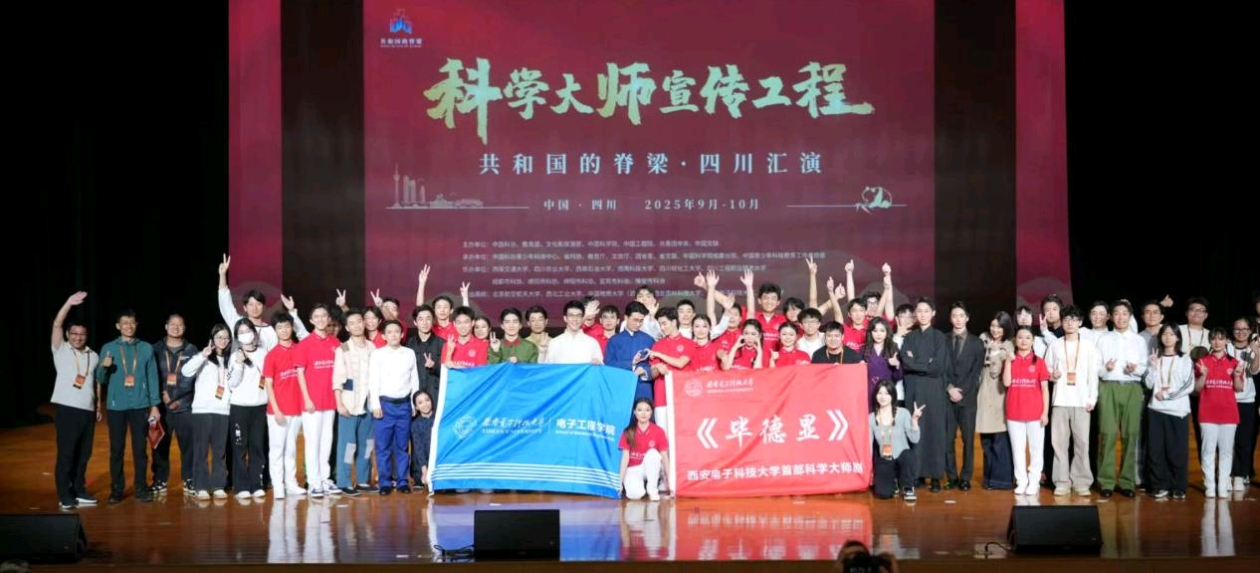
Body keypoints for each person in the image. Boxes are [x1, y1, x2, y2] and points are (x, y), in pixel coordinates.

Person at [96, 309, 161, 504]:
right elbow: (100, 379)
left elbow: (152, 378)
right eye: (125, 323)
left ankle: (141, 487)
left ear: (136, 324)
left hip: (140, 404)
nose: (129, 326)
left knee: (140, 449)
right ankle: (117, 489)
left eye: (132, 323)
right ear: (118, 326)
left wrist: (154, 405)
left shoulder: (146, 348)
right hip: (116, 406)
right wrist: (104, 367)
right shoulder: (109, 348)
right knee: (117, 449)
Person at [50, 292, 100, 509]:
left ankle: (79, 489)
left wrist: (98, 407)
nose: (78, 338)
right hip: (67, 410)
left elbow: (95, 382)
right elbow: (57, 324)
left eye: (82, 334)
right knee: (67, 454)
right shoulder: (61, 349)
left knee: (84, 454)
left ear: (86, 336)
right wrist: (68, 303)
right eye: (74, 334)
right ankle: (65, 494)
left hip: (87, 411)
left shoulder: (93, 355)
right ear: (68, 335)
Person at [1044, 305, 1099, 496]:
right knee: (1059, 443)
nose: (1069, 323)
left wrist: (1092, 398)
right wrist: (1052, 374)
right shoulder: (1055, 345)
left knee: (1082, 443)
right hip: (1060, 400)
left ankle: (1081, 481)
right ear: (1062, 322)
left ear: (1080, 322)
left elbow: (1093, 374)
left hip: (1082, 401)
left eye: (1074, 320)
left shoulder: (1089, 346)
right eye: (1066, 320)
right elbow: (1046, 369)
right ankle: (1061, 482)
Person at [1095, 300, 1147, 498]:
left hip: (1132, 387)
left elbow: (1144, 367)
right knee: (1107, 434)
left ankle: (1127, 482)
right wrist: (1106, 368)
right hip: (1108, 387)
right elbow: (1096, 367)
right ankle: (1106, 481)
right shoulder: (1104, 339)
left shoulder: (1138, 340)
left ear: (1130, 316)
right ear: (1111, 317)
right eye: (1116, 313)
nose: (1120, 317)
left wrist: (1136, 369)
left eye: (1124, 313)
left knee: (1130, 434)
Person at [899, 298, 951, 492]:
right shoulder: (910, 337)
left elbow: (938, 367)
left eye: (926, 311)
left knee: (935, 431)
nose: (922, 314)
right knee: (914, 430)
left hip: (934, 391)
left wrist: (917, 364)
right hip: (913, 389)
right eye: (919, 311)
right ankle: (917, 474)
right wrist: (925, 363)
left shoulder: (939, 337)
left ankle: (936, 476)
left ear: (933, 313)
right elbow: (906, 362)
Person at [182, 324, 233, 500]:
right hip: (202, 410)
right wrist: (202, 355)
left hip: (223, 411)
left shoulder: (231, 360)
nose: (223, 341)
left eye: (226, 337)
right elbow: (185, 371)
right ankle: (201, 486)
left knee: (219, 451)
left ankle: (218, 485)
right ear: (212, 339)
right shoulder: (203, 357)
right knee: (200, 451)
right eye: (219, 337)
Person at [369, 320, 420, 495]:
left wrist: (413, 403)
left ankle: (402, 481)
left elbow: (414, 379)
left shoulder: (409, 353)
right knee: (383, 447)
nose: (393, 335)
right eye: (389, 332)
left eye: (397, 331)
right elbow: (373, 380)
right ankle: (384, 482)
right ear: (383, 336)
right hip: (385, 405)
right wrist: (375, 404)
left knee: (402, 446)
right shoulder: (377, 354)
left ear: (402, 334)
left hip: (404, 405)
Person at [216, 254, 309, 350]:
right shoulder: (237, 323)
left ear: (264, 307)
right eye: (251, 304)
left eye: (258, 304)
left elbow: (273, 354)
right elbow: (225, 303)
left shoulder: (271, 331)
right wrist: (222, 275)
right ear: (245, 307)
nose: (255, 308)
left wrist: (292, 311)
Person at [295, 304, 340, 498]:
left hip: (330, 401)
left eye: (324, 316)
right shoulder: (304, 344)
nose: (321, 319)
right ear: (311, 320)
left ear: (328, 319)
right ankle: (313, 482)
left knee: (326, 442)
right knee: (312, 442)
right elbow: (300, 374)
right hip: (311, 403)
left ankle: (325, 478)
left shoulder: (336, 343)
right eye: (317, 316)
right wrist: (307, 399)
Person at [1144, 323, 1194, 499]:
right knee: (1155, 450)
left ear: (1178, 337)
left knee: (1177, 451)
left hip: (1177, 411)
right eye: (1164, 334)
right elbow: (1148, 384)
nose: (1168, 337)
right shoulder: (1155, 357)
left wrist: (1166, 395)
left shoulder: (1185, 359)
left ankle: (1178, 486)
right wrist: (1152, 367)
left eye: (1172, 334)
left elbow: (1189, 385)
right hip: (1156, 409)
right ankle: (1159, 485)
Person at [152, 314, 198, 495]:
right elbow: (151, 377)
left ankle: (189, 479)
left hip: (184, 406)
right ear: (166, 326)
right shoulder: (155, 349)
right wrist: (160, 398)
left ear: (184, 328)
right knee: (159, 445)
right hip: (160, 408)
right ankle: (159, 480)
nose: (176, 328)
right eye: (172, 324)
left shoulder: (191, 350)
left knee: (188, 446)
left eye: (180, 325)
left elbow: (192, 379)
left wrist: (176, 399)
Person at [1195, 328, 1244, 497]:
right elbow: (1197, 389)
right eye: (1214, 339)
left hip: (1229, 414)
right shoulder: (1202, 362)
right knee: (1208, 451)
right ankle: (1210, 485)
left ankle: (1223, 486)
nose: (1217, 342)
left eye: (1221, 339)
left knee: (1226, 452)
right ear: (1209, 341)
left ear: (1226, 341)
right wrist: (1203, 376)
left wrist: (1237, 376)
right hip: (1207, 413)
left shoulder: (1234, 363)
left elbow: (1239, 388)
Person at [331, 309, 375, 496]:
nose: (357, 325)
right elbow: (337, 380)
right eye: (352, 323)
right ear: (347, 328)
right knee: (349, 445)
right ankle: (345, 481)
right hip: (349, 405)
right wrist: (340, 404)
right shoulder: (343, 349)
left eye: (359, 321)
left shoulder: (373, 347)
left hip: (369, 404)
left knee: (368, 444)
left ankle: (364, 480)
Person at [262, 312, 305, 498]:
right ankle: (278, 486)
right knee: (277, 449)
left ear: (292, 327)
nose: (284, 330)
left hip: (297, 409)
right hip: (277, 412)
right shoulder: (271, 355)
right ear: (275, 330)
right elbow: (268, 384)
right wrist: (276, 409)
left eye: (287, 326)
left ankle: (291, 484)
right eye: (280, 327)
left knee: (291, 449)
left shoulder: (300, 350)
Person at [1004, 326, 1051, 496]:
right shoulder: (1010, 360)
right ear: (1015, 340)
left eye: (1028, 337)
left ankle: (1034, 481)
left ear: (1033, 341)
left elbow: (1045, 390)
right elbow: (1007, 383)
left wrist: (1045, 413)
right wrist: (1008, 362)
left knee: (1036, 449)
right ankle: (1021, 481)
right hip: (1014, 412)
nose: (1023, 340)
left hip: (1035, 413)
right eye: (1020, 337)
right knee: (1017, 449)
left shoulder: (1039, 362)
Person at [226, 319, 268, 499]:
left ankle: (256, 483)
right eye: (241, 332)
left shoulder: (264, 353)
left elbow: (268, 376)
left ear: (254, 332)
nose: (245, 334)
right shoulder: (234, 356)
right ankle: (241, 485)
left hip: (260, 406)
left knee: (257, 446)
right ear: (237, 337)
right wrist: (238, 363)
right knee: (239, 446)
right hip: (239, 407)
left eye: (248, 330)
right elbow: (233, 383)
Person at [944, 302, 984, 491]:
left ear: (967, 318)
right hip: (947, 397)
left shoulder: (977, 343)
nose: (958, 319)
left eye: (961, 316)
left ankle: (966, 477)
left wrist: (961, 392)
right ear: (950, 318)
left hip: (968, 399)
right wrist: (949, 388)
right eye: (954, 316)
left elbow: (976, 373)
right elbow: (940, 368)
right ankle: (951, 477)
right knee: (947, 439)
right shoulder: (943, 340)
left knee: (968, 441)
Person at [977, 312, 1015, 490]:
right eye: (993, 326)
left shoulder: (1009, 346)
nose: (995, 330)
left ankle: (1003, 480)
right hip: (983, 394)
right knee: (986, 440)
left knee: (1000, 440)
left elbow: (997, 372)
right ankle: (989, 478)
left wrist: (995, 353)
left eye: (1000, 327)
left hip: (1001, 395)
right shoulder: (982, 340)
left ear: (1006, 328)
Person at [870, 380, 921, 501]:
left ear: (893, 395)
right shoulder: (871, 418)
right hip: (886, 458)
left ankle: (908, 487)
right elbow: (868, 446)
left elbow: (915, 439)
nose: (883, 397)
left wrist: (914, 421)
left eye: (887, 393)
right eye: (880, 393)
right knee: (883, 493)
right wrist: (870, 470)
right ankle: (894, 481)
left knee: (909, 455)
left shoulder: (903, 413)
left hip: (902, 457)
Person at [648, 307, 696, 433]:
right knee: (663, 436)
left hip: (683, 396)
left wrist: (660, 355)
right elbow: (652, 374)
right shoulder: (657, 345)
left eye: (664, 323)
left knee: (684, 434)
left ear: (674, 322)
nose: (662, 328)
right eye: (660, 324)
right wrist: (658, 368)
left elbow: (680, 363)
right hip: (661, 398)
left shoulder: (689, 343)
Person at [1226, 317, 1259, 493]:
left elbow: (1254, 370)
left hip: (1246, 400)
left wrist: (1257, 353)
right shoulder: (1226, 347)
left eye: (1244, 329)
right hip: (1227, 399)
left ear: (1250, 331)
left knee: (1244, 440)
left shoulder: (1253, 348)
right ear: (1232, 331)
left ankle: (1240, 474)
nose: (1241, 332)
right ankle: (1227, 474)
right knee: (1226, 440)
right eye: (1237, 329)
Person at [619, 398, 671, 501]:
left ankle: (652, 490)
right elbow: (625, 458)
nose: (643, 413)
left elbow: (664, 457)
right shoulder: (628, 431)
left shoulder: (658, 431)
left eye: (647, 410)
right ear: (634, 412)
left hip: (650, 467)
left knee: (653, 454)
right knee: (635, 495)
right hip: (633, 469)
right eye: (640, 410)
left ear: (651, 412)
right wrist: (620, 482)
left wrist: (670, 482)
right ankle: (641, 487)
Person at [604, 302, 657, 402]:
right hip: (619, 387)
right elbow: (608, 364)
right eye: (635, 320)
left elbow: (655, 365)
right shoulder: (614, 340)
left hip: (643, 387)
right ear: (626, 318)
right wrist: (631, 363)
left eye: (641, 321)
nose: (638, 324)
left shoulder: (649, 340)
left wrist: (644, 371)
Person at [545, 300, 604, 364]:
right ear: (565, 318)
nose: (575, 319)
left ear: (582, 318)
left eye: (578, 315)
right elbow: (548, 368)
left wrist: (598, 363)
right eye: (571, 315)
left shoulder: (592, 343)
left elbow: (601, 367)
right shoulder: (554, 343)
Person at [410, 390, 435, 492]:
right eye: (420, 402)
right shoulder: (415, 424)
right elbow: (418, 449)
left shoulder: (440, 419)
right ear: (416, 407)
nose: (425, 404)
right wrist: (425, 472)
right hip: (423, 465)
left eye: (427, 400)